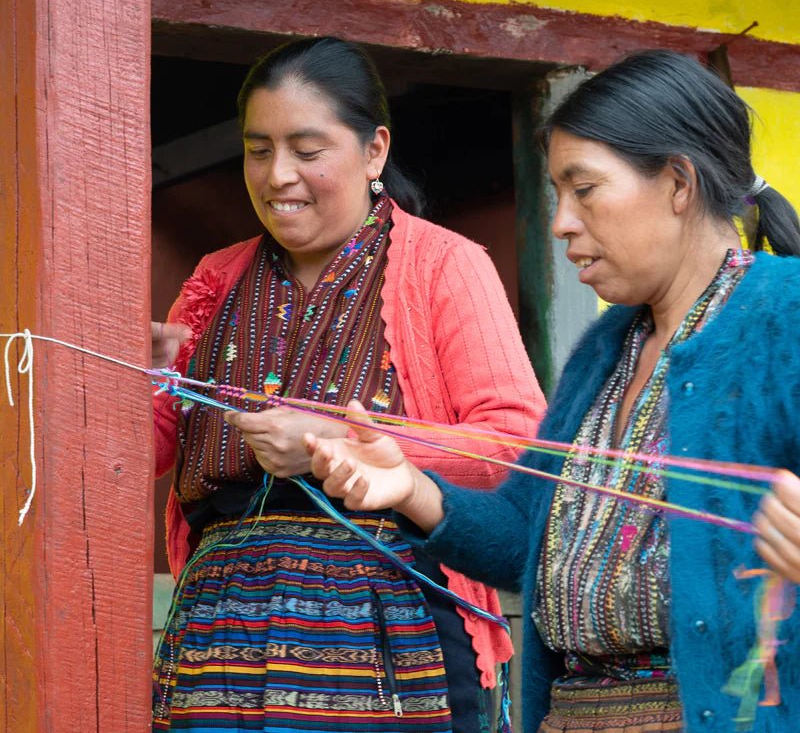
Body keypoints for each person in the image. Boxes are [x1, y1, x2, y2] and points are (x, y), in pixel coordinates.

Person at [306, 50, 800, 733]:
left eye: (585, 188)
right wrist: (411, 488)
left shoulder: (786, 318)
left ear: (678, 183)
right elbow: (524, 542)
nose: (562, 220)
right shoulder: (606, 351)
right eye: (557, 193)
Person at [150, 36, 546, 732]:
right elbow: (138, 459)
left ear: (374, 152)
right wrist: (143, 382)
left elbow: (516, 449)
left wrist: (346, 444)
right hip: (215, 644)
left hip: (387, 643)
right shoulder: (214, 281)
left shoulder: (445, 267)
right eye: (258, 149)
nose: (277, 176)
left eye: (307, 151)